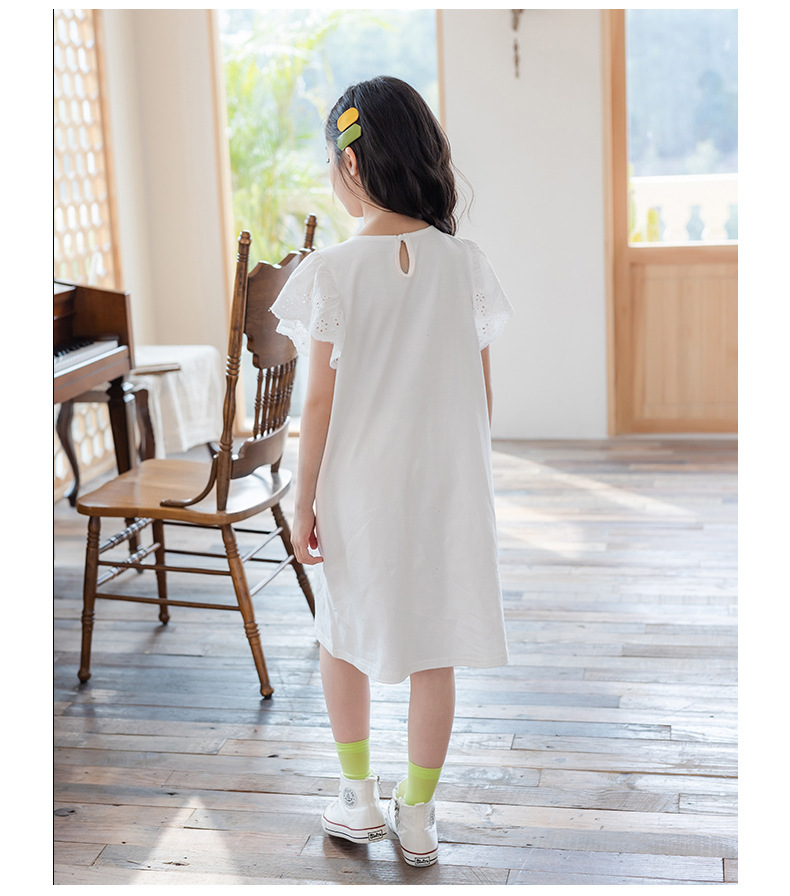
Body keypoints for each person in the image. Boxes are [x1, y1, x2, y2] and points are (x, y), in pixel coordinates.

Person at [271, 75, 513, 868]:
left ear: (351, 163)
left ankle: (358, 797)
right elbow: (479, 399)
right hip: (448, 487)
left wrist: (302, 499)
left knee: (343, 634)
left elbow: (317, 405)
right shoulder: (464, 262)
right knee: (434, 646)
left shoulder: (333, 270)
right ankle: (418, 814)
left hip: (357, 488)